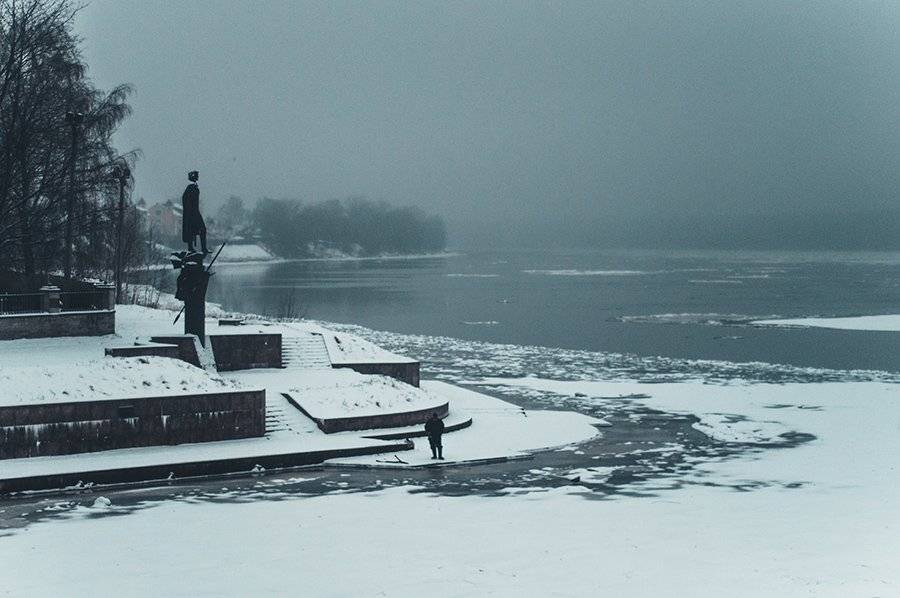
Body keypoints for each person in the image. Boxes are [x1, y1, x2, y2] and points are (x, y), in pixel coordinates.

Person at [182, 170, 208, 254]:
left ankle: (201, 248)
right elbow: (187, 201)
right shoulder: (190, 188)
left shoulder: (193, 187)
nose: (198, 177)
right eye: (197, 175)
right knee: (197, 229)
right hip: (192, 213)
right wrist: (191, 212)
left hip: (194, 212)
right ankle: (196, 248)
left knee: (198, 229)